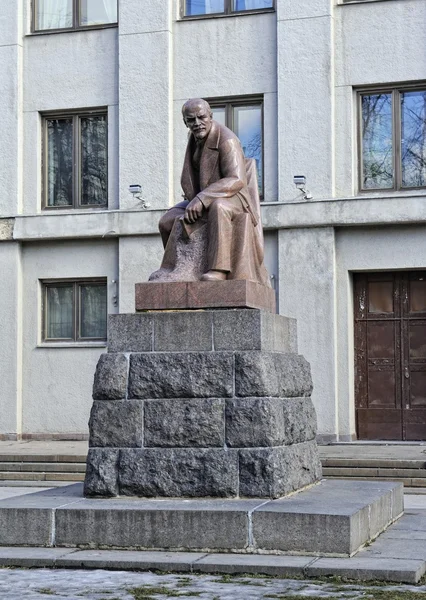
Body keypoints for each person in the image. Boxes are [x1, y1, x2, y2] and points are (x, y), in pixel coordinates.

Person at [154, 98, 270, 286]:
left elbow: (237, 179)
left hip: (233, 196)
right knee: (166, 221)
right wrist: (197, 199)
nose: (197, 123)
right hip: (203, 197)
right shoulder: (193, 139)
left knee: (219, 207)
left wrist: (202, 199)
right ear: (185, 122)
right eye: (191, 120)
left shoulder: (227, 140)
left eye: (201, 117)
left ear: (210, 116)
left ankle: (219, 269)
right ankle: (173, 268)